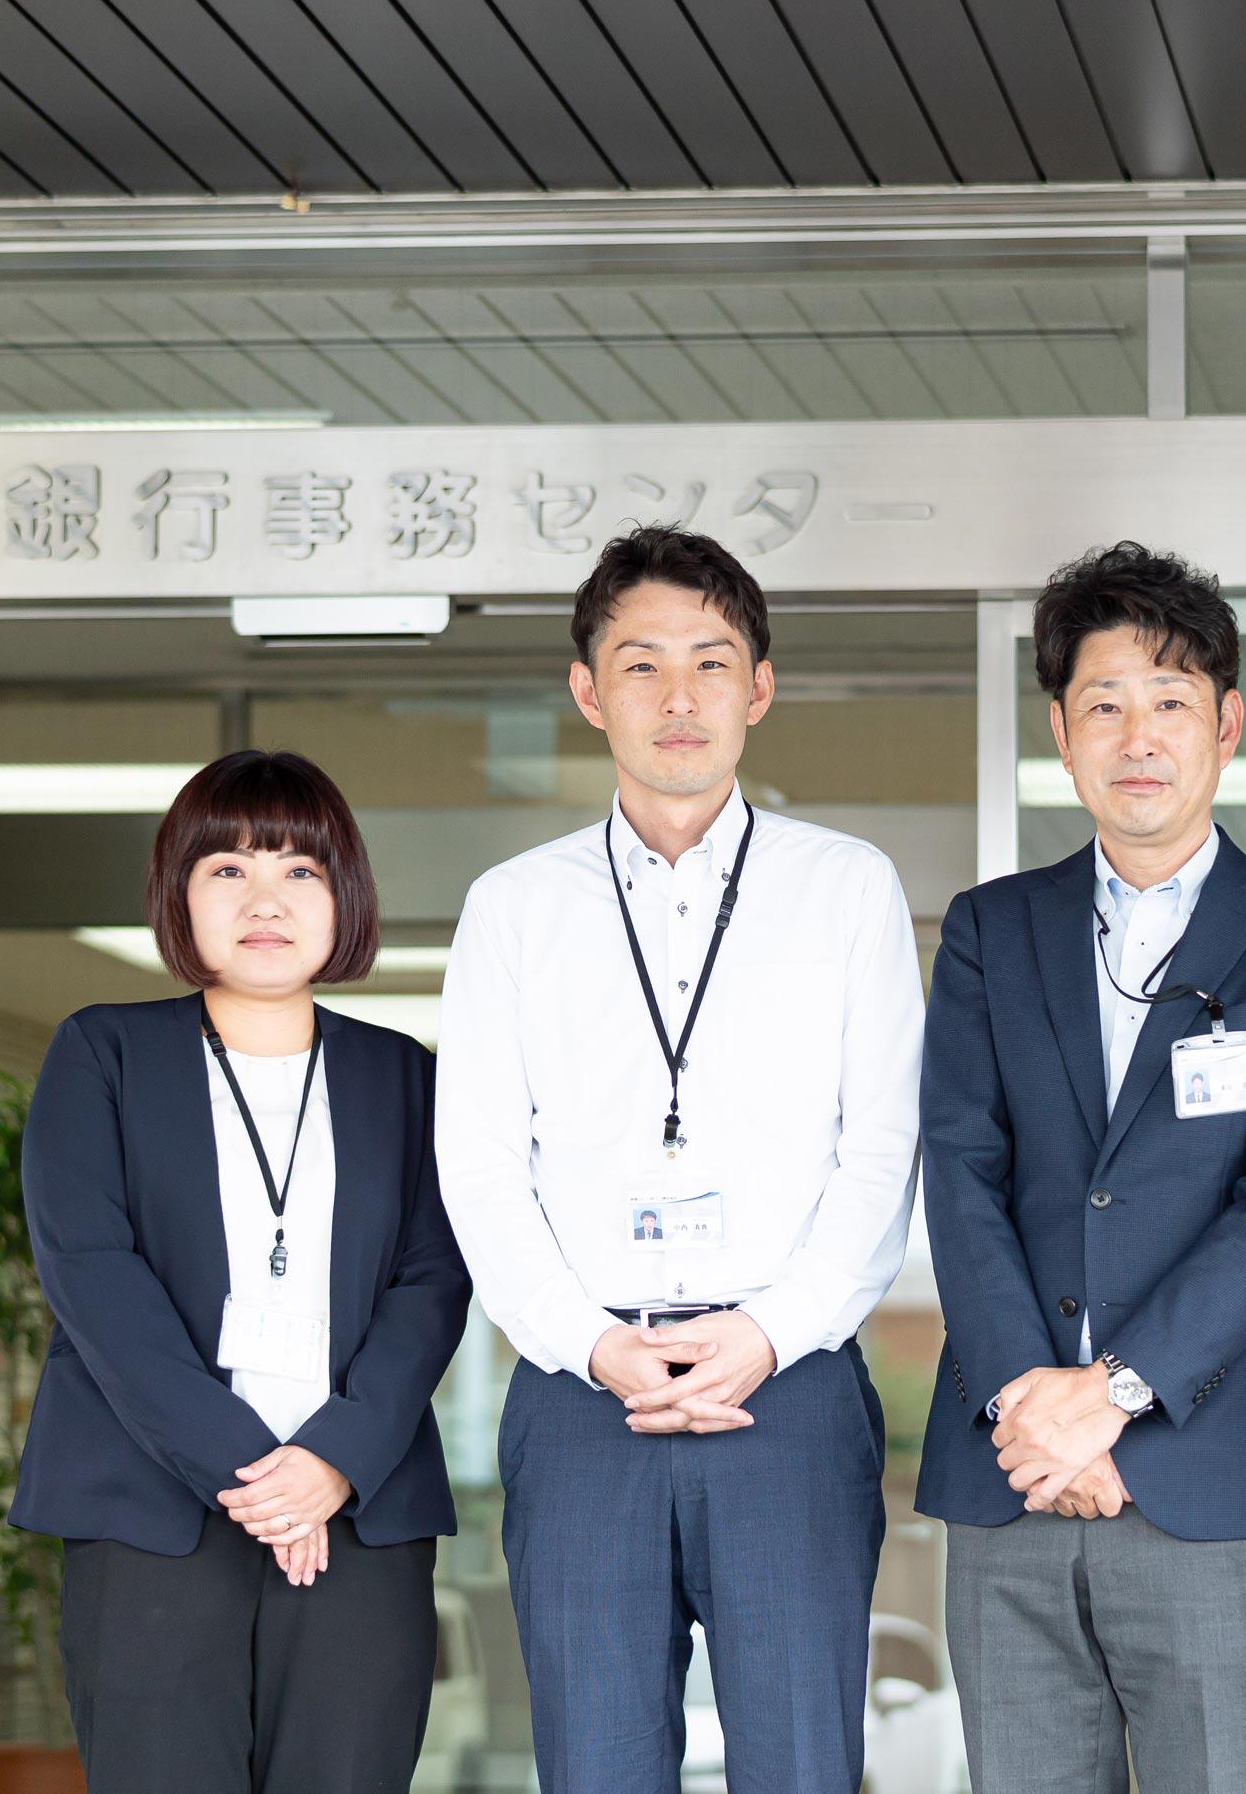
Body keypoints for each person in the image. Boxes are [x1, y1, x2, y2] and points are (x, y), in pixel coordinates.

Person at [434, 525, 923, 1794]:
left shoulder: (843, 887)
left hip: (787, 1392)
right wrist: (589, 1342)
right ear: (587, 691)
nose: (678, 697)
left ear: (758, 689)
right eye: (640, 665)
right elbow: (478, 1166)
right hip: (583, 1394)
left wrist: (767, 1331)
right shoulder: (515, 907)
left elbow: (881, 1147)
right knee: (594, 1767)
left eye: (710, 662)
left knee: (801, 1765)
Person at [916, 545, 1246, 1794]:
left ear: (1225, 726)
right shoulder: (990, 930)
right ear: (1060, 733)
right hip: (1010, 1471)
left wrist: (1110, 1396)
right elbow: (959, 1171)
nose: (1138, 737)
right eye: (1104, 704)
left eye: (1169, 701)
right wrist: (1031, 1406)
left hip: (1207, 1469)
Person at [15, 750, 470, 1794]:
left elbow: (432, 1281)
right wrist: (256, 1478)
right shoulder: (103, 1054)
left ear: (343, 895)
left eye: (299, 871)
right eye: (228, 869)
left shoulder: (404, 1075)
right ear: (178, 893)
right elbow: (94, 1276)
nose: (265, 901)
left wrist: (332, 1462)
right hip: (151, 1518)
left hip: (358, 1516)